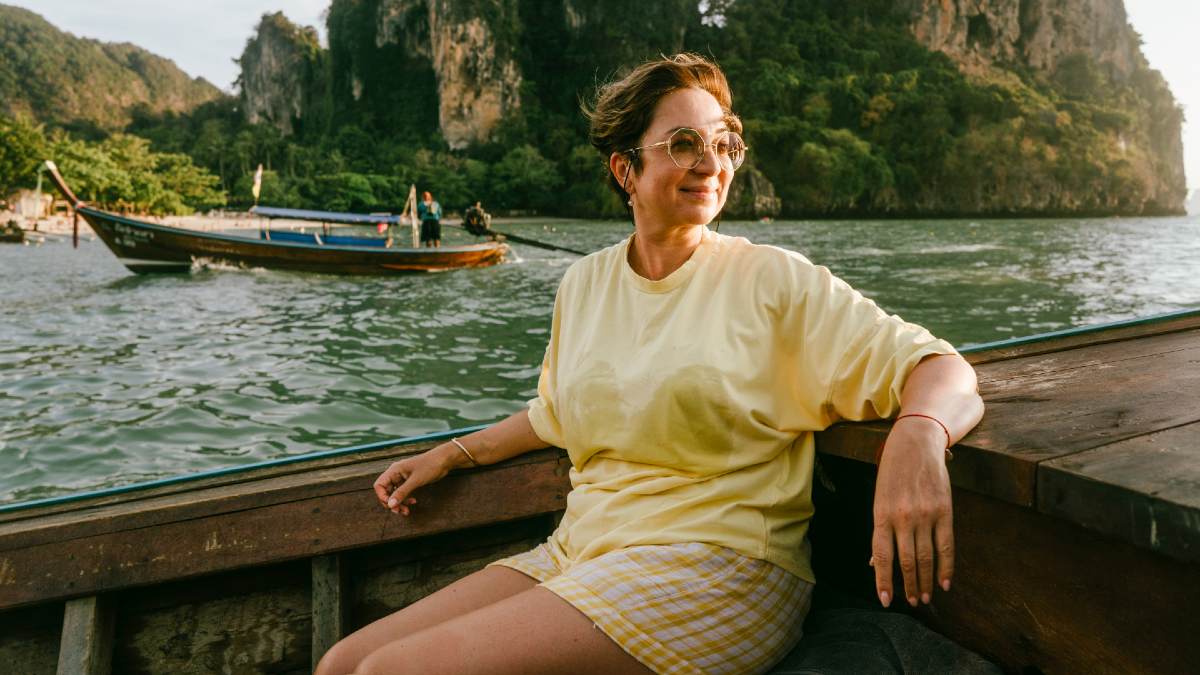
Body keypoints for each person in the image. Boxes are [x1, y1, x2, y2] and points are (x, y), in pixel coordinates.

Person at [317, 53, 984, 675]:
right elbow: (556, 413)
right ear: (625, 169)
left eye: (723, 143)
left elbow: (937, 364)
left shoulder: (769, 280)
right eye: (684, 144)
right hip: (585, 548)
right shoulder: (585, 284)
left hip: (726, 564)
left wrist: (920, 434)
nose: (710, 163)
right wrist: (455, 454)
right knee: (343, 662)